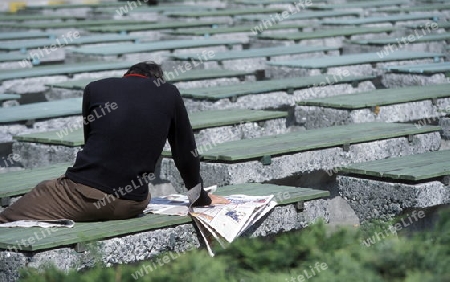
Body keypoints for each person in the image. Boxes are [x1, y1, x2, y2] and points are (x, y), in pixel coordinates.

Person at [0, 61, 229, 223]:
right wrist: (199, 198)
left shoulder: (96, 88)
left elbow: (91, 142)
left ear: (127, 76)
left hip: (82, 195)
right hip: (132, 203)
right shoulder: (169, 93)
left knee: (10, 215)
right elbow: (185, 152)